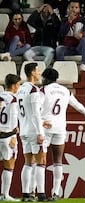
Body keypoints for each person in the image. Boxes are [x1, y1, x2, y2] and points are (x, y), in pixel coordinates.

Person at [39, 68, 85, 200]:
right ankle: (56, 192)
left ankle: (40, 192)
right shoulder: (65, 91)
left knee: (40, 161)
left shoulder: (43, 90)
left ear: (46, 78)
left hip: (45, 127)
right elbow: (77, 105)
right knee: (58, 160)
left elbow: (36, 109)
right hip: (60, 128)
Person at [16, 62, 49, 202]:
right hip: (34, 131)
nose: (40, 72)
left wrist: (41, 122)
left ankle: (26, 194)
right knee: (41, 161)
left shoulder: (21, 89)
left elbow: (24, 113)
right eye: (38, 70)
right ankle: (41, 194)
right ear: (32, 73)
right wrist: (40, 132)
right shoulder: (34, 90)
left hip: (24, 130)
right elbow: (35, 113)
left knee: (28, 162)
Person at [0, 74, 21, 202]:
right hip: (8, 136)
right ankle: (5, 195)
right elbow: (13, 117)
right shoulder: (14, 99)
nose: (19, 87)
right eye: (18, 85)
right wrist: (14, 135)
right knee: (9, 165)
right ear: (13, 86)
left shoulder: (0, 96)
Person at [23, 3, 61, 68]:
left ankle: (42, 68)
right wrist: (38, 10)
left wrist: (52, 13)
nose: (45, 12)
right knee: (26, 54)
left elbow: (58, 25)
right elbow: (29, 21)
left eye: (47, 11)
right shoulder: (38, 20)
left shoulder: (53, 20)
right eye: (44, 10)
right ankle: (35, 68)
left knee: (51, 53)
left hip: (48, 47)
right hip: (36, 46)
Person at [56, 0, 85, 71]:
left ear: (79, 9)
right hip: (68, 48)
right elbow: (61, 34)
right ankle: (60, 69)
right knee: (59, 49)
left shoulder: (84, 20)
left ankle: (84, 64)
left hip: (79, 47)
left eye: (76, 7)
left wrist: (82, 34)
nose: (74, 9)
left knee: (84, 40)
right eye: (72, 7)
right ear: (69, 8)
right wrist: (69, 22)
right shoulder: (64, 20)